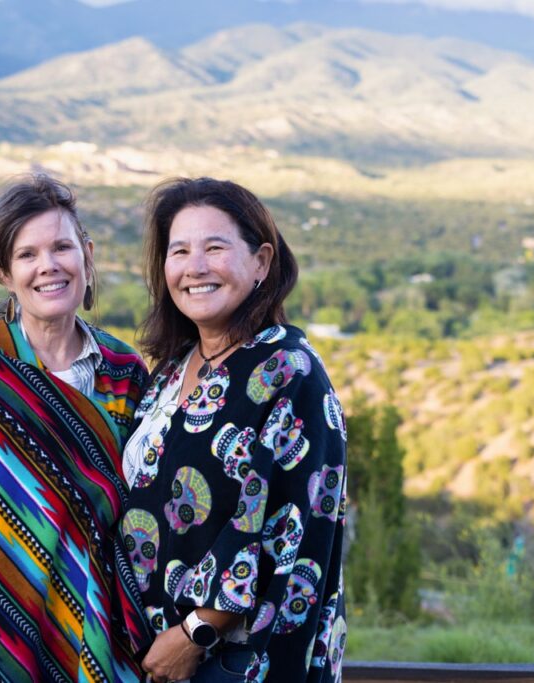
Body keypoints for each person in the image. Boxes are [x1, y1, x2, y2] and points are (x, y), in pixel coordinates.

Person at [0, 175, 151, 682]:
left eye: (62, 247)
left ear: (86, 254)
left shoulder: (124, 371)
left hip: (108, 620)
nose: (49, 266)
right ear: (4, 271)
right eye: (27, 254)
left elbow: (141, 512)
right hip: (1, 615)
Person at [123, 178, 347, 683]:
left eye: (215, 248)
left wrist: (197, 631)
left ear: (261, 262)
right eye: (179, 251)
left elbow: (288, 526)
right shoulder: (172, 370)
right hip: (154, 654)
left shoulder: (288, 372)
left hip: (234, 661)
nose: (195, 267)